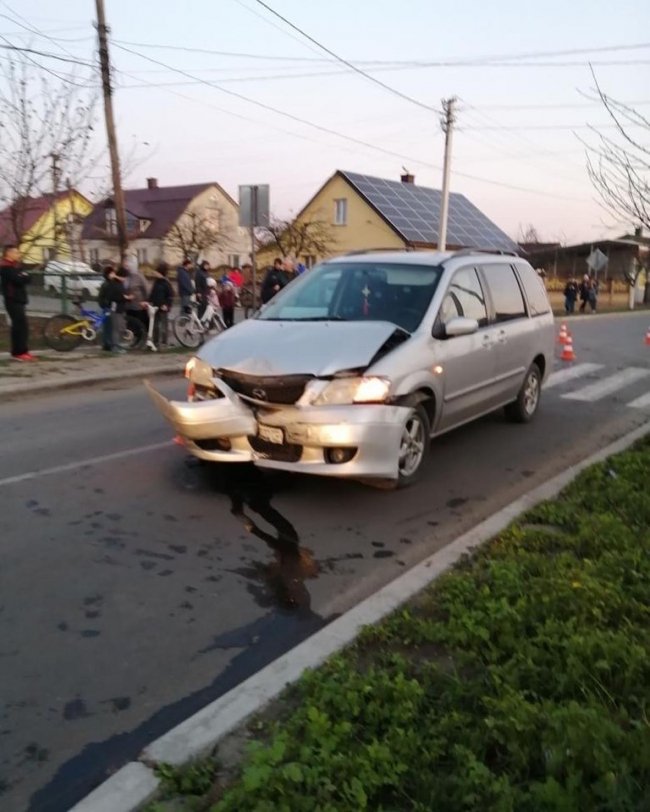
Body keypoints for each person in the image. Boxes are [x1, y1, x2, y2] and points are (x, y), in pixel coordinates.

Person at [0, 244, 34, 361]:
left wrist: (24, 276)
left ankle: (22, 350)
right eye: (15, 252)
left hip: (20, 299)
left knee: (22, 326)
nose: (18, 255)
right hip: (12, 299)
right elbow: (18, 280)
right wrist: (23, 276)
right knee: (19, 326)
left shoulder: (15, 267)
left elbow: (27, 278)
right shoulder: (5, 268)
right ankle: (19, 351)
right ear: (8, 253)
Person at [147, 262, 174, 350]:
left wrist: (166, 305)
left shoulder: (166, 283)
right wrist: (148, 302)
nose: (154, 273)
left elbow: (170, 295)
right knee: (155, 326)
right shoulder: (156, 282)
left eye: (156, 272)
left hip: (163, 307)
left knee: (163, 326)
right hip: (155, 307)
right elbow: (153, 294)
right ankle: (155, 342)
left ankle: (164, 343)